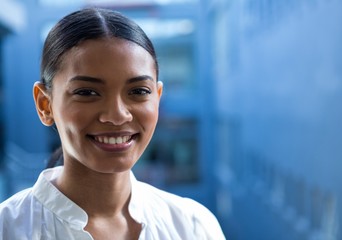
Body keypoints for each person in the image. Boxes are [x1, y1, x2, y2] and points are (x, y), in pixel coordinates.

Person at [0, 7, 225, 240]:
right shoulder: (7, 229)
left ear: (157, 98)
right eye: (87, 92)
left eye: (138, 91)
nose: (117, 115)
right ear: (45, 105)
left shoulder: (192, 226)